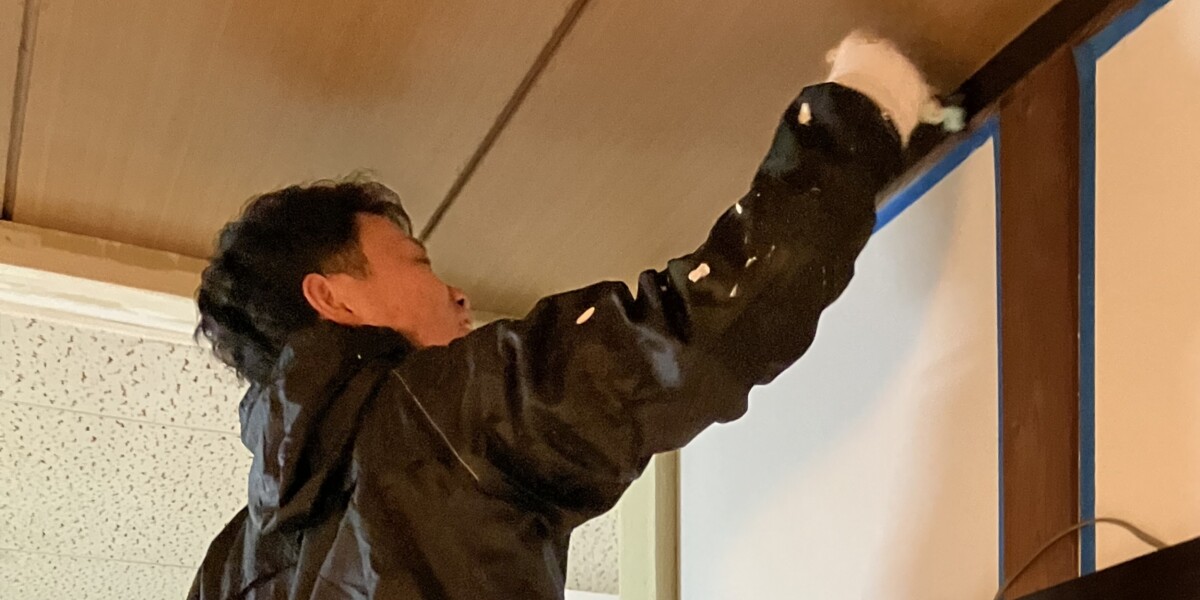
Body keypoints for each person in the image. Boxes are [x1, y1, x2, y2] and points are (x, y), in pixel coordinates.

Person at [189, 33, 932, 600]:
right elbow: (704, 327)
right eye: (418, 265)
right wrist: (861, 105)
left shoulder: (228, 569)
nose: (456, 296)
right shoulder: (439, 412)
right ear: (334, 299)